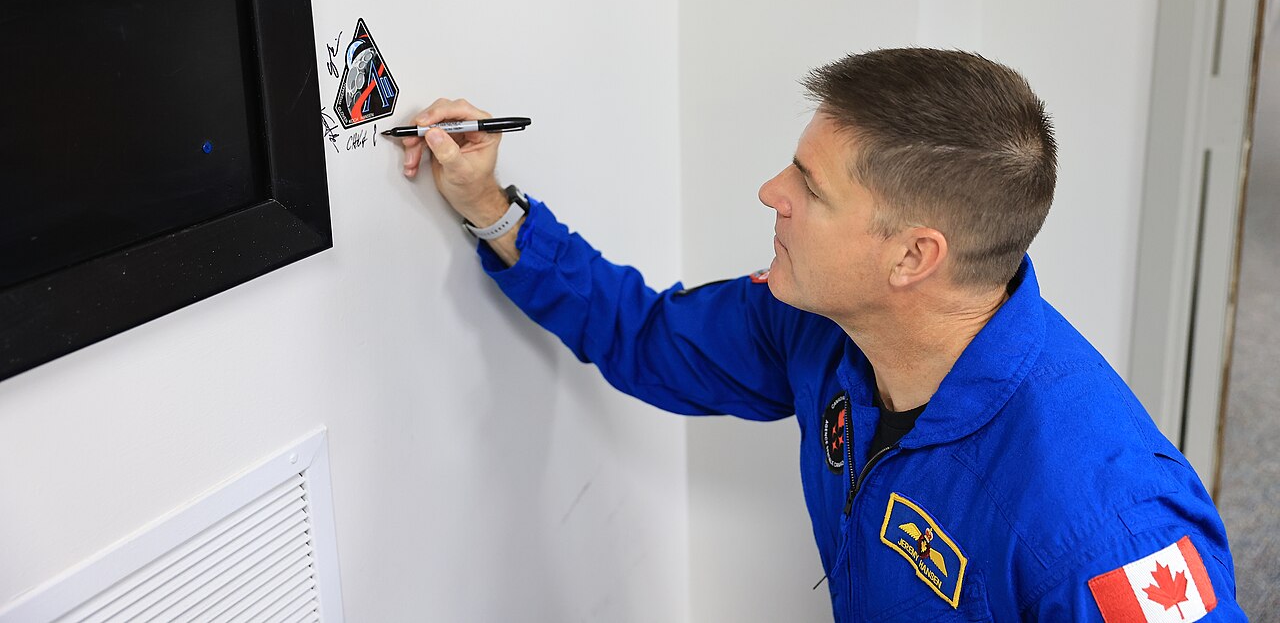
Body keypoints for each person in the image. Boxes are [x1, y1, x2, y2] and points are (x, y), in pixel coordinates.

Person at [397, 48, 1244, 621]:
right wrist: (489, 208)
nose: (772, 192)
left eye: (810, 186)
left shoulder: (1105, 523)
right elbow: (646, 335)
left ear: (913, 256)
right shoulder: (820, 327)